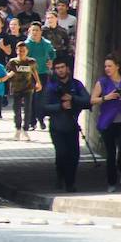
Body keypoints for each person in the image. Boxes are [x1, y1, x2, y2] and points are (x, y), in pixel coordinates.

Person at [90, 54, 121, 192]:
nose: (107, 69)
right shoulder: (102, 82)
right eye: (105, 66)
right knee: (110, 154)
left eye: (110, 66)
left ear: (117, 66)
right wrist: (107, 97)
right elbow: (93, 100)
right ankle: (111, 182)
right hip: (108, 122)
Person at [43, 57, 91, 192]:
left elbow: (87, 101)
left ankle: (70, 183)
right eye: (57, 68)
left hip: (72, 125)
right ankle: (60, 177)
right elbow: (44, 107)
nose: (60, 70)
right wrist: (61, 106)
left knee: (74, 155)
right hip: (57, 127)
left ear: (67, 68)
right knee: (62, 153)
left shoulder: (76, 85)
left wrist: (73, 99)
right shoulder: (51, 87)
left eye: (62, 67)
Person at [3, 41, 41, 141]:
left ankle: (25, 129)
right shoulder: (12, 62)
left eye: (23, 51)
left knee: (28, 109)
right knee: (17, 110)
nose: (21, 52)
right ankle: (18, 129)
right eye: (19, 51)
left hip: (28, 88)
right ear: (16, 51)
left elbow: (34, 72)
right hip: (16, 88)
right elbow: (8, 73)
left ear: (27, 51)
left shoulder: (31, 61)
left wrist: (38, 83)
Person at [25, 22, 56, 130]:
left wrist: (51, 61)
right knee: (31, 98)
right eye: (32, 30)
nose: (35, 32)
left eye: (37, 30)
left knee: (41, 98)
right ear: (29, 31)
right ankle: (31, 121)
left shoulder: (46, 44)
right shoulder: (26, 44)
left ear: (41, 32)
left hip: (43, 73)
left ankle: (41, 119)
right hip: (29, 74)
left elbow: (53, 53)